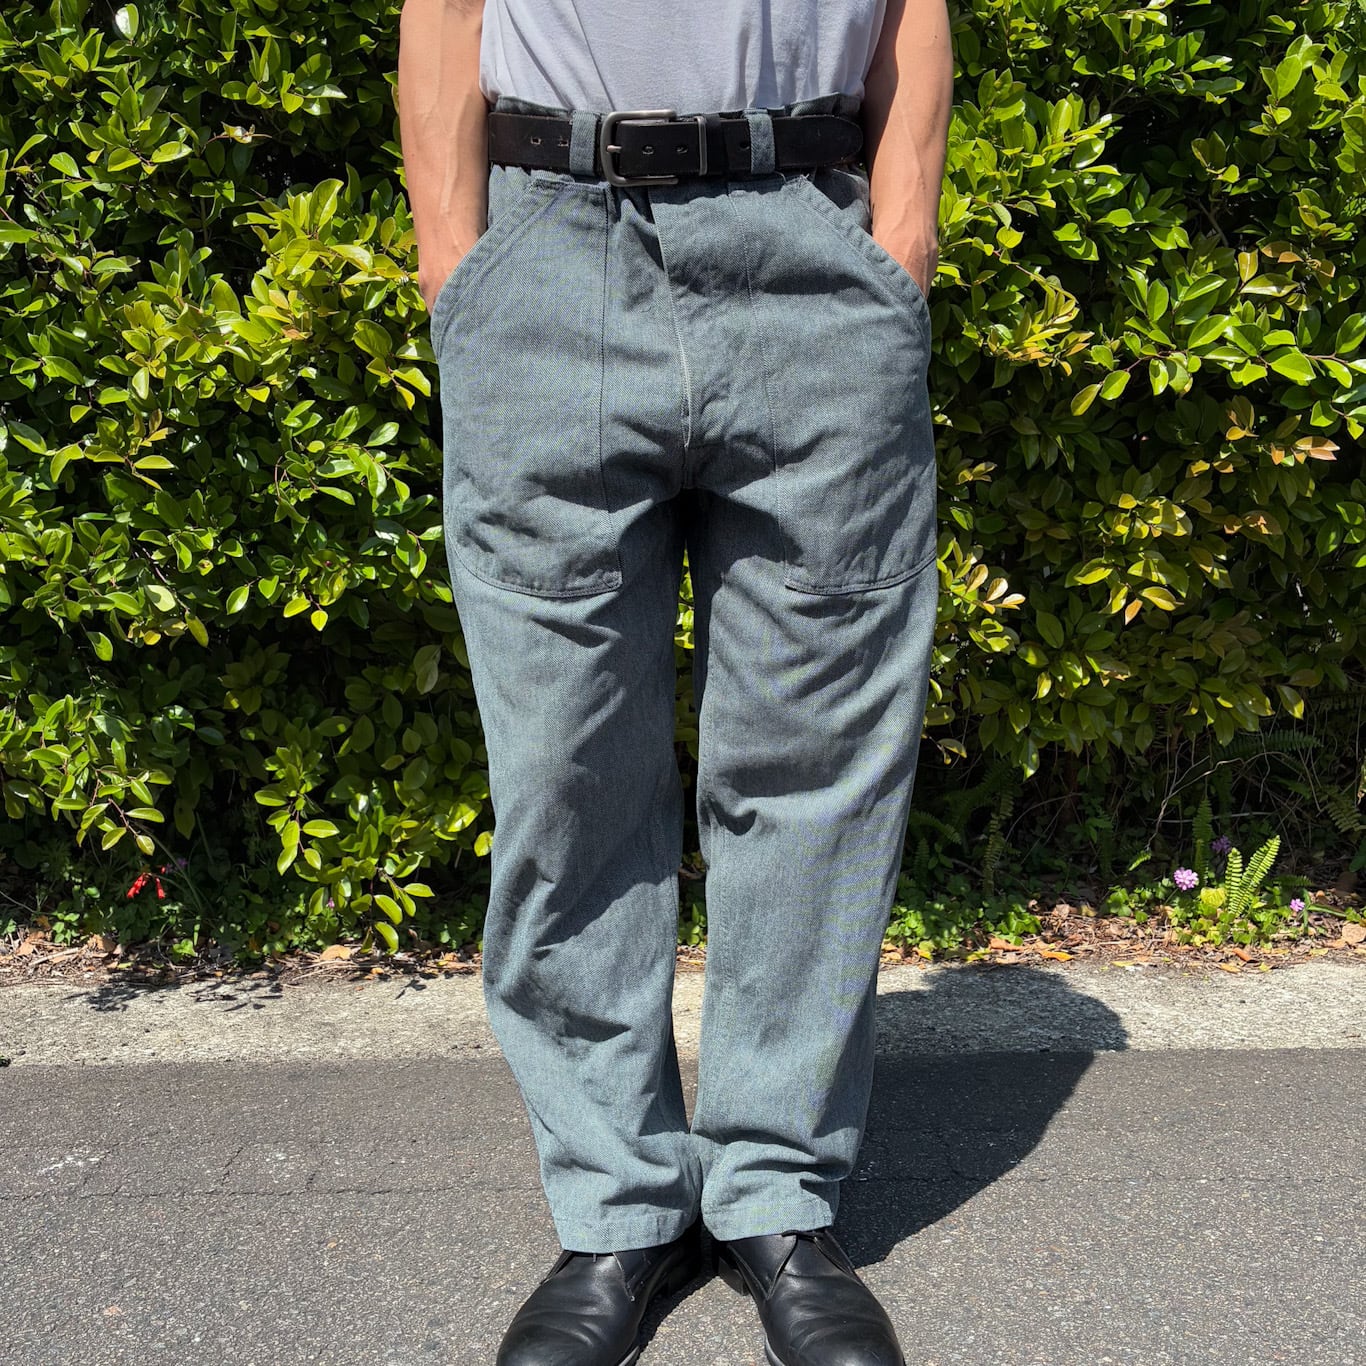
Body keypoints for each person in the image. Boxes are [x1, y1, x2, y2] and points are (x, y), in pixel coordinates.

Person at [397, 2, 953, 1361]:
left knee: (815, 768)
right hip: (550, 252)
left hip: (813, 258)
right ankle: (618, 1203)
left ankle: (778, 1195)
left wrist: (900, 245)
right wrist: (455, 267)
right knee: (564, 768)